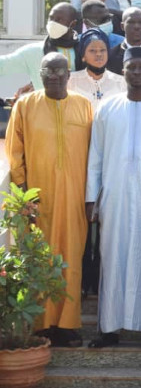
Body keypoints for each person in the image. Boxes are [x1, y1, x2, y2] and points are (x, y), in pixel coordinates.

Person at [85, 46, 141, 350]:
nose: (136, 73)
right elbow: (95, 156)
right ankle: (109, 328)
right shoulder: (107, 108)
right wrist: (91, 198)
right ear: (123, 71)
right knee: (112, 257)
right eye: (131, 67)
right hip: (115, 196)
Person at [5, 53, 93, 347]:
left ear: (69, 74)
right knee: (39, 258)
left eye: (59, 70)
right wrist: (24, 195)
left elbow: (94, 155)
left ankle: (67, 326)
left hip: (75, 199)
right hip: (38, 200)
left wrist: (91, 197)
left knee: (71, 260)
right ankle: (41, 325)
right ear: (40, 74)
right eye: (48, 70)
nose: (54, 75)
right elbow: (15, 152)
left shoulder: (84, 105)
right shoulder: (25, 105)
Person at [0, 3, 79, 87]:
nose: (53, 23)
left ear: (73, 24)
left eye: (59, 20)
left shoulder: (85, 50)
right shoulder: (34, 51)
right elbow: (4, 65)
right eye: (51, 18)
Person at [67, 29, 126, 113]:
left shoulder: (121, 83)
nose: (98, 54)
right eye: (92, 50)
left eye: (102, 50)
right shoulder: (71, 81)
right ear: (83, 56)